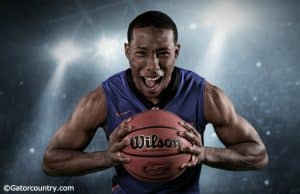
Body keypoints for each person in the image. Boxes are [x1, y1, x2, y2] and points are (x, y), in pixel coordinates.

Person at [42, 10, 268, 193]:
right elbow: (52, 162)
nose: (153, 66)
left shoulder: (206, 95)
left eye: (163, 53)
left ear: (176, 52)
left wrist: (205, 153)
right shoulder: (101, 99)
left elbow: (258, 155)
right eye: (141, 53)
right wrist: (106, 157)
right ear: (127, 52)